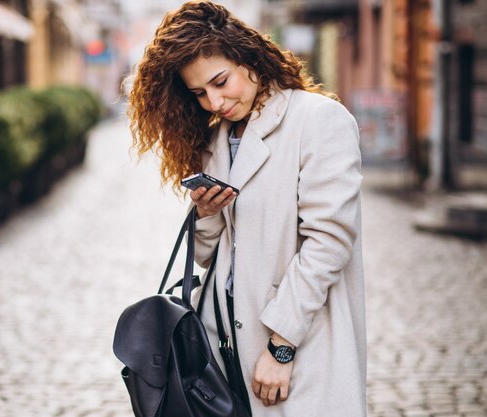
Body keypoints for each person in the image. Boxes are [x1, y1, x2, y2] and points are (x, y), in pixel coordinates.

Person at [127, 1, 366, 416]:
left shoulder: (318, 120)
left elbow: (328, 243)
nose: (214, 102)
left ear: (249, 57)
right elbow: (208, 257)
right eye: (199, 93)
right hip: (223, 345)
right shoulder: (215, 139)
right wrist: (206, 213)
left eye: (220, 81)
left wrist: (282, 347)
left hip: (297, 341)